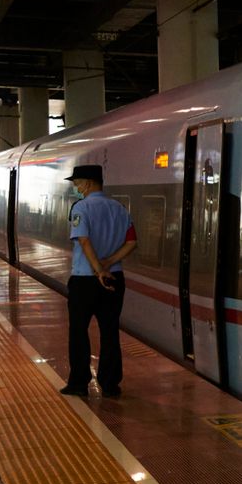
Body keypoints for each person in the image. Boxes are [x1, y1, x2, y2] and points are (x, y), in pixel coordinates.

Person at [61, 164, 137, 399]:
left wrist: (97, 270)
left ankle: (78, 383)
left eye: (77, 182)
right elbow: (132, 242)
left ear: (89, 183)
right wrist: (108, 263)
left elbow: (83, 240)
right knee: (110, 331)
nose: (75, 187)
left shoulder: (81, 208)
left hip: (85, 280)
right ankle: (110, 384)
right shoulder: (120, 209)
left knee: (79, 332)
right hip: (115, 278)